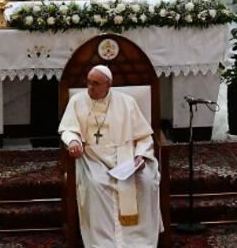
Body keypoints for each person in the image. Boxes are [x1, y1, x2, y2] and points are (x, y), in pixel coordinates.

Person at [58, 64, 162, 247]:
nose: (90, 88)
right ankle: (104, 242)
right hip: (93, 157)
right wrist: (73, 141)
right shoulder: (77, 101)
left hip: (126, 157)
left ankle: (138, 240)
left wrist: (140, 156)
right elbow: (68, 129)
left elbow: (144, 136)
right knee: (96, 185)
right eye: (88, 83)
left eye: (96, 84)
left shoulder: (127, 102)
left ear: (109, 85)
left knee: (146, 182)